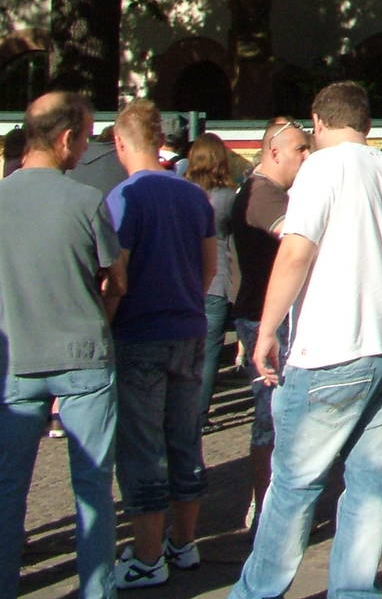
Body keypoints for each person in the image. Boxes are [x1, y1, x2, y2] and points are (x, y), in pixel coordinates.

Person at [228, 82, 382, 599]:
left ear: (317, 121)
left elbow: (296, 252)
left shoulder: (321, 168)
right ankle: (355, 590)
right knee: (368, 477)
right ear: (366, 124)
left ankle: (257, 592)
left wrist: (267, 330)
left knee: (293, 484)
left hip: (335, 347)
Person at [0, 92, 125, 599]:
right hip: (83, 357)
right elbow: (118, 280)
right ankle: (98, 590)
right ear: (67, 138)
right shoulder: (85, 200)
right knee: (93, 488)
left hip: (16, 362)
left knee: (9, 490)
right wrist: (101, 312)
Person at [106, 100, 218, 587]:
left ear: (120, 143)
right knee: (185, 438)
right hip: (189, 327)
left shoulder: (124, 196)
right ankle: (183, 543)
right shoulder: (194, 195)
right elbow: (209, 264)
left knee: (143, 447)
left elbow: (118, 274)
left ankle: (147, 557)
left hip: (141, 332)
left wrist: (104, 323)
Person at [231, 117, 312, 527]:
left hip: (265, 314)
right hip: (265, 317)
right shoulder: (264, 195)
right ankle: (265, 506)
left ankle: (270, 503)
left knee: (281, 414)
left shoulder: (266, 190)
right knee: (273, 416)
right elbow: (297, 242)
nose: (307, 156)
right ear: (274, 153)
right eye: (300, 149)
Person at [187, 132, 238, 435]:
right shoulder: (227, 197)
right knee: (208, 353)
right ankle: (199, 415)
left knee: (187, 351)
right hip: (217, 280)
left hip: (186, 279)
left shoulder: (183, 191)